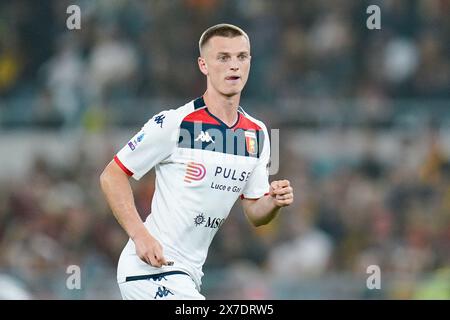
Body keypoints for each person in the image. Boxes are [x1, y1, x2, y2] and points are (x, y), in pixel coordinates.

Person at [100, 23, 294, 300]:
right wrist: (140, 235)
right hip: (148, 271)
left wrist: (272, 202)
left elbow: (254, 211)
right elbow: (111, 175)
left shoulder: (258, 133)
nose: (234, 66)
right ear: (203, 65)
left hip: (188, 275)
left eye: (242, 56)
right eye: (223, 58)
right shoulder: (175, 123)